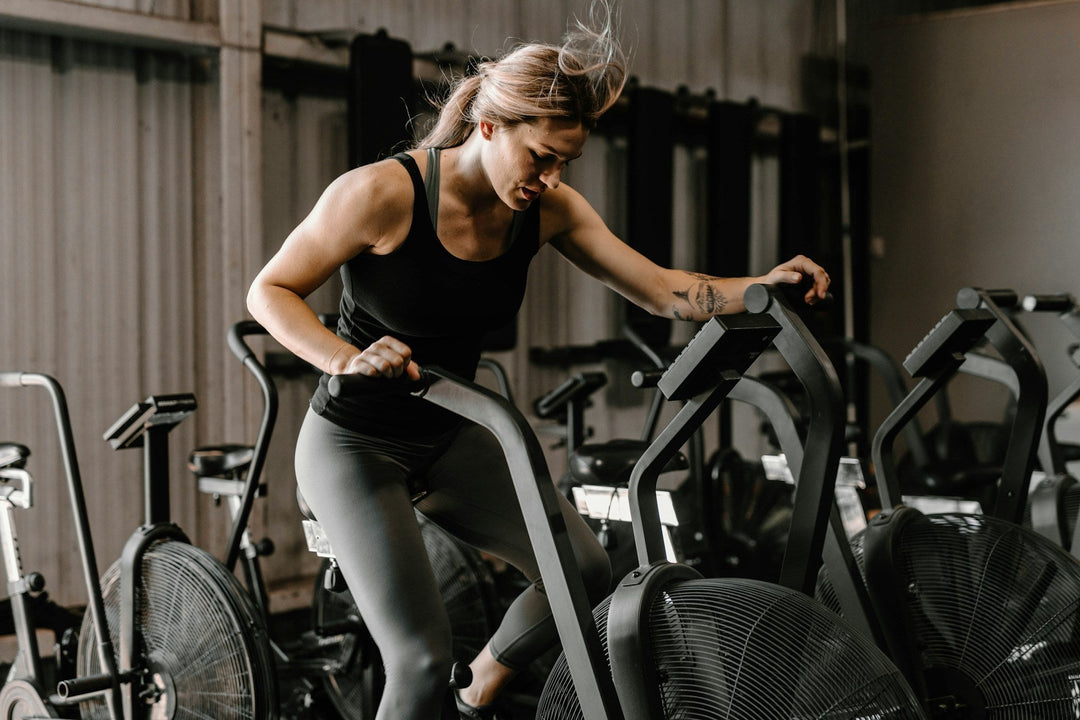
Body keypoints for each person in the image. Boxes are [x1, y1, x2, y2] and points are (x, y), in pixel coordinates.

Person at [246, 3, 830, 719]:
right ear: (489, 127)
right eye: (541, 157)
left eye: (565, 161)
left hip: (454, 431)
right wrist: (343, 357)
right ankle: (446, 684)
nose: (551, 177)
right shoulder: (380, 194)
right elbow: (270, 291)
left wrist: (760, 289)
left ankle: (484, 680)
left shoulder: (548, 210)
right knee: (421, 661)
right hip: (356, 442)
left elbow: (663, 290)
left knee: (584, 570)